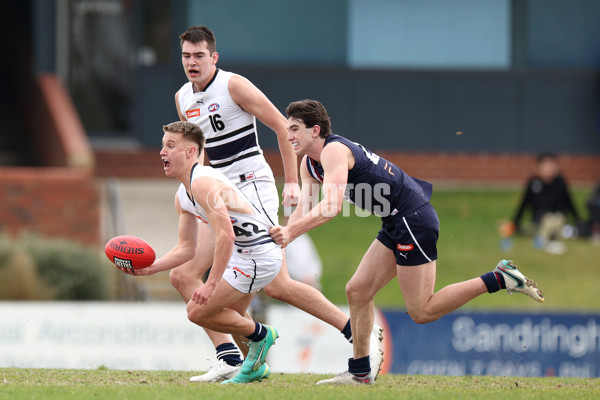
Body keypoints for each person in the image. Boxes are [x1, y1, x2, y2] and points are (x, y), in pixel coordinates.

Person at [270, 99, 545, 385]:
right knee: (357, 290)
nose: (288, 136)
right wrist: (283, 237)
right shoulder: (309, 164)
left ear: (315, 130)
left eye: (294, 129)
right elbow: (305, 207)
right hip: (395, 220)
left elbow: (331, 206)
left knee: (422, 310)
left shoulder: (334, 152)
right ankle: (360, 371)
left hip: (412, 219)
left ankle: (498, 278)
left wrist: (289, 234)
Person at [172, 26, 383, 382]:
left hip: (253, 188)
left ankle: (353, 331)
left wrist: (291, 183)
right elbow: (201, 153)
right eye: (186, 56)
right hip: (217, 193)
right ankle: (231, 358)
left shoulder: (233, 85)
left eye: (199, 56)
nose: (192, 63)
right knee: (184, 275)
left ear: (214, 57)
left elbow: (282, 127)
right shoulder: (182, 98)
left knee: (274, 285)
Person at [118, 121, 281, 384]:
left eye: (171, 146)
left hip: (258, 256)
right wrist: (149, 268)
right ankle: (250, 367)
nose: (162, 153)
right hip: (245, 256)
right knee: (227, 315)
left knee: (197, 311)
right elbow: (187, 249)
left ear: (192, 152)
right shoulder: (183, 194)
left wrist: (211, 283)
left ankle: (262, 334)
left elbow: (226, 234)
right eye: (162, 146)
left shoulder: (203, 183)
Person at [510, 152, 580, 254]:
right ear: (538, 167)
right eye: (545, 165)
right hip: (540, 219)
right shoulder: (533, 183)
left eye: (551, 165)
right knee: (547, 221)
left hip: (558, 217)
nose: (549, 169)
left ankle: (553, 238)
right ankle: (547, 240)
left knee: (557, 220)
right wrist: (514, 223)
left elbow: (569, 202)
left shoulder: (560, 182)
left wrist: (578, 220)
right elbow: (523, 205)